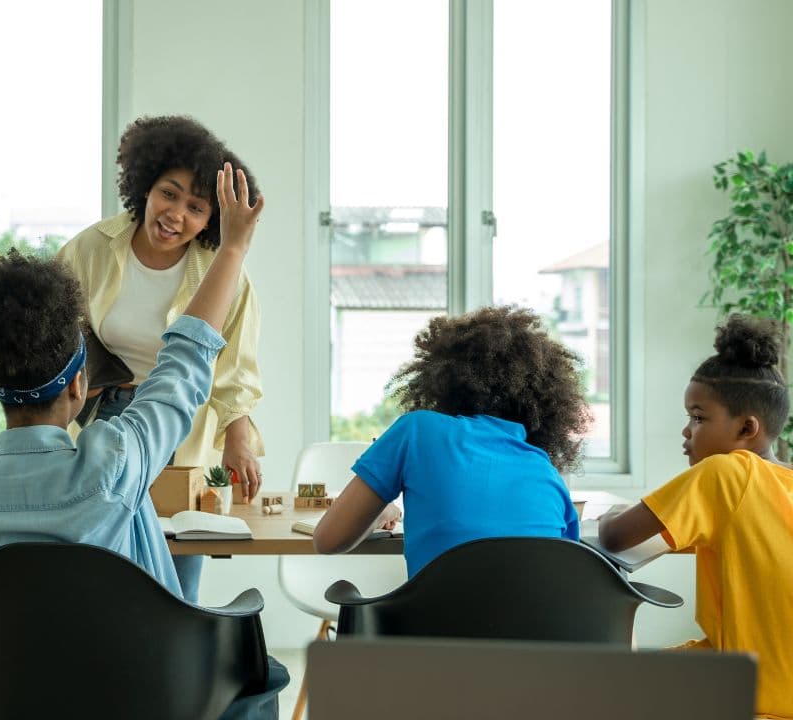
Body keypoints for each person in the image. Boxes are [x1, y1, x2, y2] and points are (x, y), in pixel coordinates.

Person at [0, 163, 288, 719]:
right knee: (264, 669)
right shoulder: (117, 462)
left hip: (17, 701)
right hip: (139, 700)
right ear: (80, 385)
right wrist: (235, 248)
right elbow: (185, 364)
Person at [57, 114, 264, 602]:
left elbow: (235, 365)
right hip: (102, 424)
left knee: (175, 573)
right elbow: (49, 340)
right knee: (101, 564)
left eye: (195, 207)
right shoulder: (91, 250)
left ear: (211, 219)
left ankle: (175, 668)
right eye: (169, 194)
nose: (176, 215)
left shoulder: (223, 272)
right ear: (144, 185)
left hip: (179, 429)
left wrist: (239, 437)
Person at [599, 315, 792, 718]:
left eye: (699, 417)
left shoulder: (725, 472)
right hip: (761, 672)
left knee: (606, 677)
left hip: (756, 691)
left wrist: (607, 514)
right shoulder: (783, 482)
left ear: (747, 429)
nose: (687, 432)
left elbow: (616, 536)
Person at [312, 306, 590, 576]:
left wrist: (380, 513)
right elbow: (559, 574)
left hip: (432, 623)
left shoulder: (417, 430)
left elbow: (328, 540)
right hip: (539, 624)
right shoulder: (547, 473)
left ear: (442, 379)